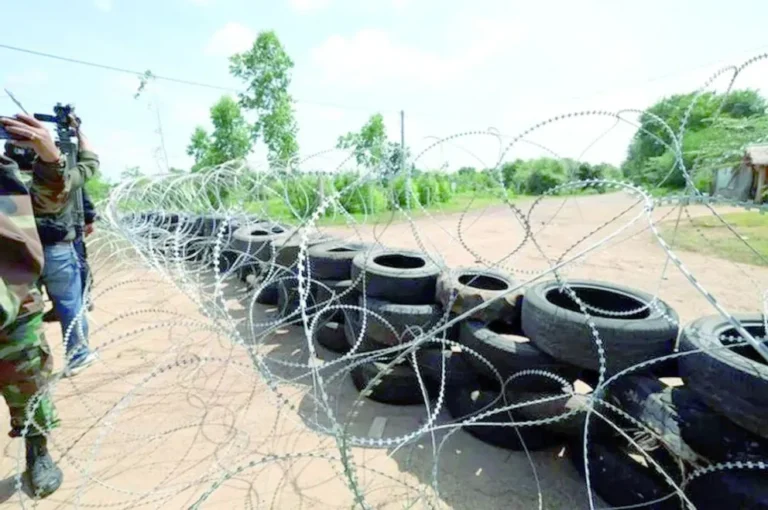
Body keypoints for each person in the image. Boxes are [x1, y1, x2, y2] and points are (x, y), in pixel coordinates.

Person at [0, 113, 69, 498]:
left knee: (28, 386)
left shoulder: (3, 174)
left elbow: (47, 205)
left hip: (12, 301)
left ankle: (37, 452)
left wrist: (49, 158)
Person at [33, 114, 99, 376]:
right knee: (71, 304)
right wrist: (78, 130)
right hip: (57, 248)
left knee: (24, 314)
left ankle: (30, 371)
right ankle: (78, 354)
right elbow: (90, 161)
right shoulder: (59, 179)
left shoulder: (8, 178)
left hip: (17, 255)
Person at [42, 188, 96, 322]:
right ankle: (65, 304)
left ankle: (83, 298)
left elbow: (78, 189)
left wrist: (88, 217)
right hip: (61, 221)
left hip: (70, 222)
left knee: (76, 261)